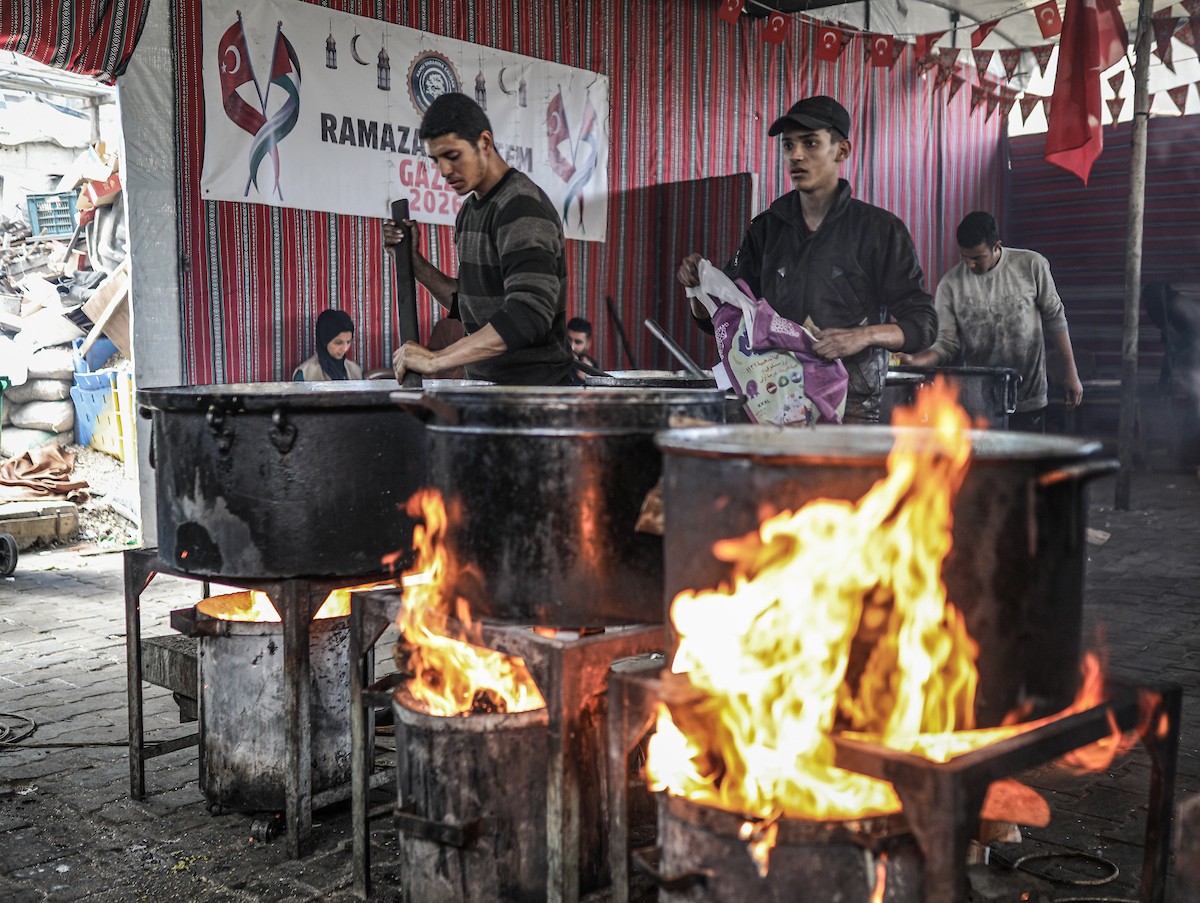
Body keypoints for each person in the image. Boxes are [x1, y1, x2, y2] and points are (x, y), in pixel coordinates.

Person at [677, 95, 936, 423]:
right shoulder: (767, 229)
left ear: (842, 150)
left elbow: (923, 325)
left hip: (851, 408)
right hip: (776, 407)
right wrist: (697, 290)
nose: (796, 155)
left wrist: (863, 336)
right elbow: (724, 319)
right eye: (788, 146)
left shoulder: (879, 230)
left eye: (811, 143)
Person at [383, 93, 574, 386]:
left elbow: (528, 314)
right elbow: (471, 304)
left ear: (484, 142)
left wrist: (436, 359)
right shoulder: (470, 210)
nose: (444, 171)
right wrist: (414, 264)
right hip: (487, 389)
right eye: (437, 160)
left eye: (453, 156)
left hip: (535, 396)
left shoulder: (521, 206)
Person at [902, 211, 1083, 432]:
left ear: (997, 245)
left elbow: (1055, 318)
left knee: (1025, 465)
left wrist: (1071, 374)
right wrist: (916, 360)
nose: (970, 265)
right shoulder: (950, 285)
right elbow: (946, 344)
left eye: (977, 258)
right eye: (964, 257)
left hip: (1028, 394)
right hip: (977, 400)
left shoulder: (1031, 265)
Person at [293, 309, 363, 381]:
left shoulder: (355, 371)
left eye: (348, 342)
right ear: (324, 340)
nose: (345, 348)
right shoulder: (305, 374)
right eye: (338, 343)